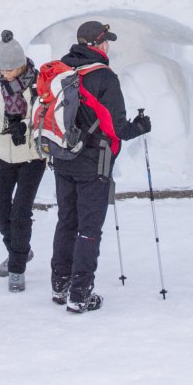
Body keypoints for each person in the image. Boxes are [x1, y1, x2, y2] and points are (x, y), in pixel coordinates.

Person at [49, 21, 151, 313]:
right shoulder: (104, 77)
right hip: (95, 162)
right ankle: (80, 294)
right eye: (106, 41)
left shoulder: (61, 69)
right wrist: (140, 126)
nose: (108, 46)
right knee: (89, 228)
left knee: (66, 221)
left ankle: (60, 284)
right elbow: (117, 129)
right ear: (96, 44)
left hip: (63, 156)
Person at [0, 30, 46, 292]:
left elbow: (44, 115)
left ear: (20, 65)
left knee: (20, 214)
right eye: (2, 69)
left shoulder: (38, 82)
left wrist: (25, 126)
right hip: (3, 154)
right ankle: (21, 250)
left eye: (9, 69)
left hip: (31, 157)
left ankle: (17, 268)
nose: (4, 73)